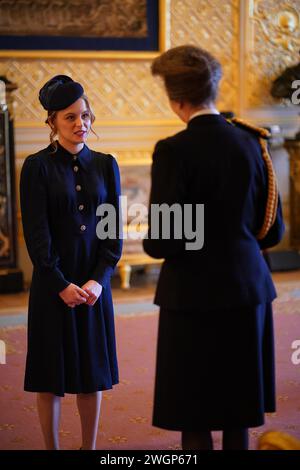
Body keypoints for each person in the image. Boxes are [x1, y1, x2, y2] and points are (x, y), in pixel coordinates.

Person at [143, 45, 285, 450]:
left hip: (192, 295)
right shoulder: (251, 142)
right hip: (246, 288)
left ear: (177, 100)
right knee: (237, 409)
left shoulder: (173, 150)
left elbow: (165, 240)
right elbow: (272, 232)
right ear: (213, 90)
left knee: (196, 411)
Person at [20, 75, 122, 450]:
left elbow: (113, 233)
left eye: (85, 115)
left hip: (94, 287)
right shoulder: (36, 168)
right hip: (53, 287)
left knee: (92, 374)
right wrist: (59, 283)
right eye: (70, 117)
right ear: (52, 123)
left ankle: (89, 448)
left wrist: (100, 280)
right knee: (52, 376)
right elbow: (37, 235)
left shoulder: (107, 165)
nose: (82, 123)